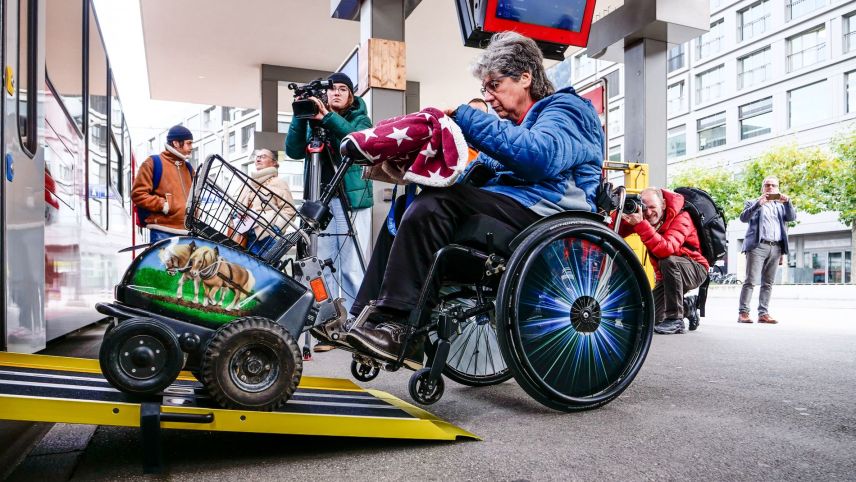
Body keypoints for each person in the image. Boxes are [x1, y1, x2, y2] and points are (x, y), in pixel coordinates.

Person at [315, 31, 604, 368]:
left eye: (494, 85)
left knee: (438, 205)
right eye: (486, 90)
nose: (489, 97)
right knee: (407, 208)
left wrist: (467, 118)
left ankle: (400, 327)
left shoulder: (566, 109)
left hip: (548, 216)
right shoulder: (514, 127)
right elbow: (474, 175)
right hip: (516, 209)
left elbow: (539, 157)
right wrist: (414, 169)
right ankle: (367, 319)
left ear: (525, 77)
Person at [285, 72, 373, 312]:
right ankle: (330, 319)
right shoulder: (313, 121)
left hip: (351, 201)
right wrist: (300, 116)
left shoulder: (360, 119)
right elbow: (293, 151)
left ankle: (356, 320)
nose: (336, 92)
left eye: (343, 89)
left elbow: (356, 142)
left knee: (351, 265)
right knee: (323, 264)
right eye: (332, 88)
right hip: (320, 201)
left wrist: (328, 117)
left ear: (351, 95)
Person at [615, 187, 710, 335]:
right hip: (667, 277)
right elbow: (614, 230)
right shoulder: (644, 217)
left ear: (664, 204)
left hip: (695, 268)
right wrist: (618, 211)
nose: (648, 212)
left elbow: (667, 249)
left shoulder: (682, 217)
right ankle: (687, 306)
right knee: (646, 317)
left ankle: (676, 320)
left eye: (653, 207)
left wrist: (640, 225)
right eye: (645, 207)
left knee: (668, 260)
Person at [737, 176, 796, 324]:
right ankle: (743, 313)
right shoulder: (753, 203)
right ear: (763, 188)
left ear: (778, 188)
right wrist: (758, 204)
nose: (770, 187)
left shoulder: (781, 206)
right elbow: (743, 218)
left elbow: (792, 217)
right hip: (758, 246)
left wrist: (788, 202)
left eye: (773, 185)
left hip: (776, 247)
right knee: (750, 280)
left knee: (768, 283)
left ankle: (763, 313)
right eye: (767, 185)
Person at [131, 125, 195, 243]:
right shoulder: (152, 163)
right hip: (162, 232)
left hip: (187, 232)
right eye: (189, 143)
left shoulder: (189, 168)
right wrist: (164, 205)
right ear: (176, 143)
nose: (192, 147)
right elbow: (137, 194)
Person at [237, 148, 296, 257]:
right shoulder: (249, 182)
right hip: (247, 234)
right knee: (251, 269)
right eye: (257, 156)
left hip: (268, 235)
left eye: (263, 156)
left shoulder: (278, 182)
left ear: (273, 163)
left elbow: (290, 210)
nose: (259, 158)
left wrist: (276, 228)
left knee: (266, 270)